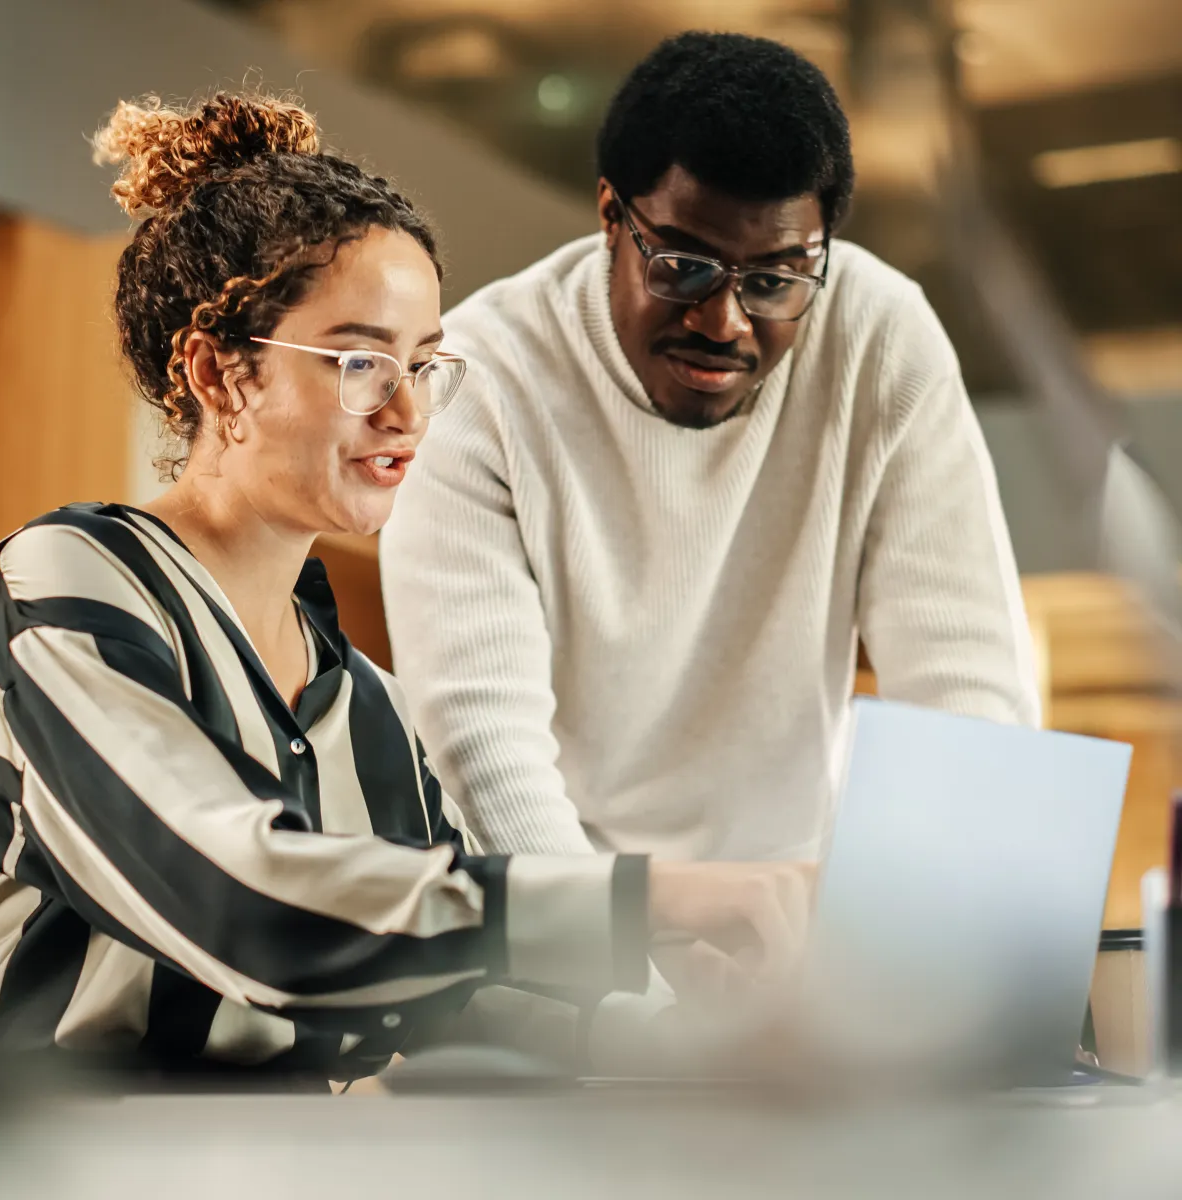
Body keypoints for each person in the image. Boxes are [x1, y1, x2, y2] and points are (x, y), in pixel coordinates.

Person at [0, 92, 809, 1087]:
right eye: (360, 360)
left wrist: (694, 1042)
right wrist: (642, 901)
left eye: (426, 365)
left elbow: (448, 992)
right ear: (221, 377)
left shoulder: (367, 704)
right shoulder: (74, 579)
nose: (407, 411)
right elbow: (245, 908)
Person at [381, 32, 1040, 862]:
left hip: (793, 894)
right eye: (685, 268)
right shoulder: (482, 382)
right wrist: (625, 969)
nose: (724, 324)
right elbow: (483, 754)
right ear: (611, 217)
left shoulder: (880, 338)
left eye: (773, 281)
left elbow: (969, 696)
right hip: (569, 906)